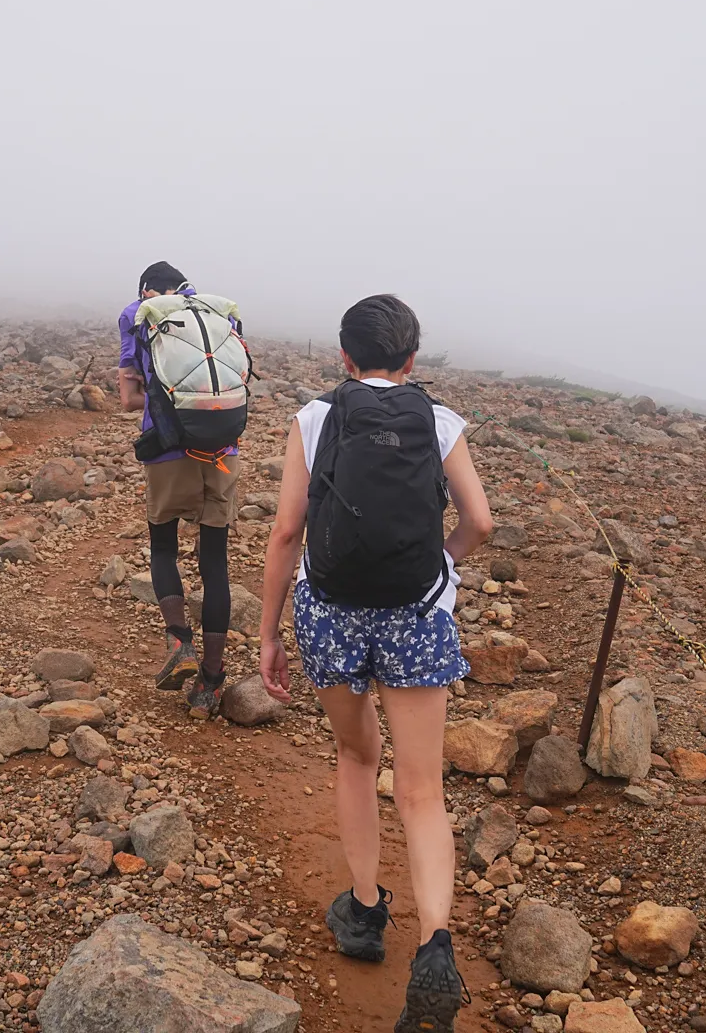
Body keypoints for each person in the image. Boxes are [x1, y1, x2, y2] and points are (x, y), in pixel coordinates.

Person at [258, 294, 493, 1033]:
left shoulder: (315, 417)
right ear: (413, 359)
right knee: (422, 791)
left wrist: (268, 632)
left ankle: (362, 912)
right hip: (418, 616)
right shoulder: (439, 419)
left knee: (358, 759)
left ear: (345, 358)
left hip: (329, 609)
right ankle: (434, 951)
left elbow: (289, 530)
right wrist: (443, 570)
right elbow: (480, 522)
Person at [118, 261, 239, 719]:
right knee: (215, 562)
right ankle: (210, 682)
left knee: (164, 547)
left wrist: (151, 389)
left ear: (148, 290)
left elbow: (130, 399)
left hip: (169, 451)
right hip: (224, 450)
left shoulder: (138, 312)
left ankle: (179, 643)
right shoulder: (216, 315)